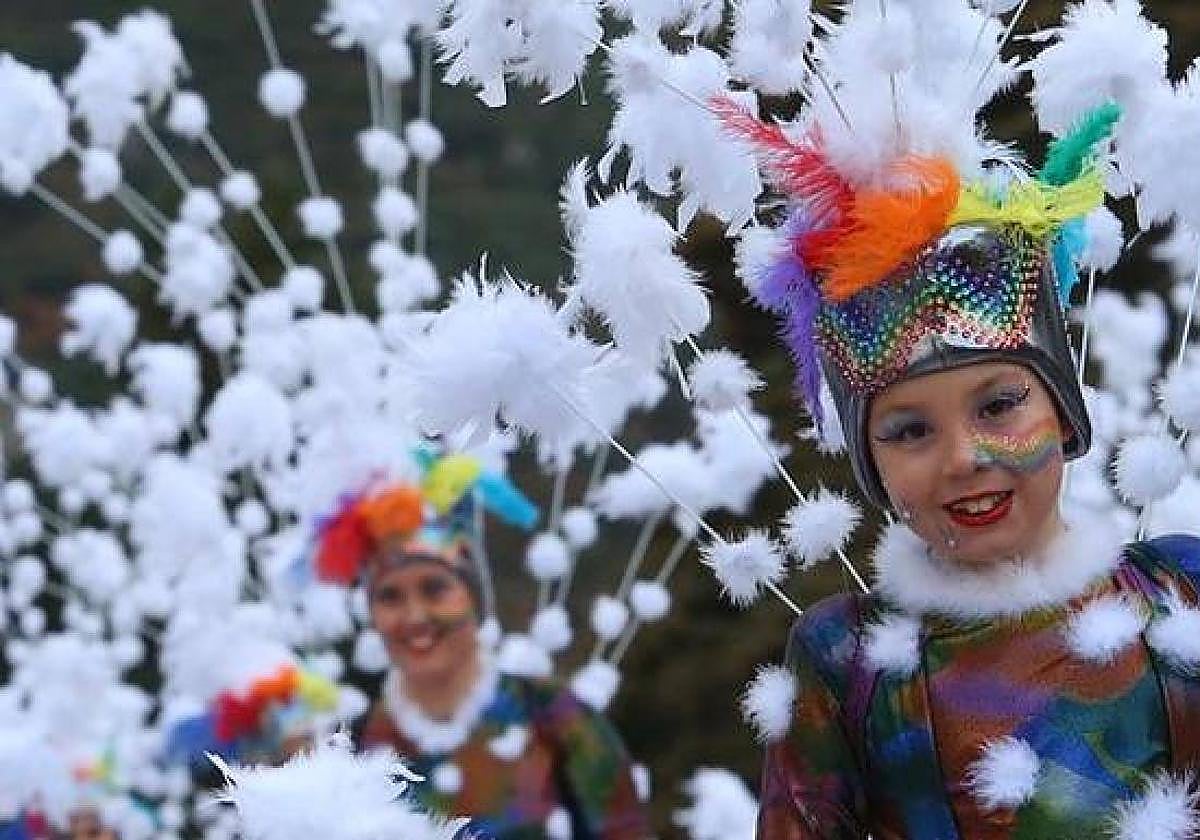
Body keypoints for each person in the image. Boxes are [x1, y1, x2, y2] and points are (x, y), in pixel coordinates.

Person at [726, 75, 1200, 840]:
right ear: (872, 464)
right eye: (911, 431)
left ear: (1063, 411)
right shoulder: (847, 660)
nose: (963, 458)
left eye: (999, 405)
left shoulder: (1179, 592)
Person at [314, 455, 650, 839]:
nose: (415, 616)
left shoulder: (555, 716)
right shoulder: (350, 748)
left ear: (474, 598)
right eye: (390, 597)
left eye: (435, 589)